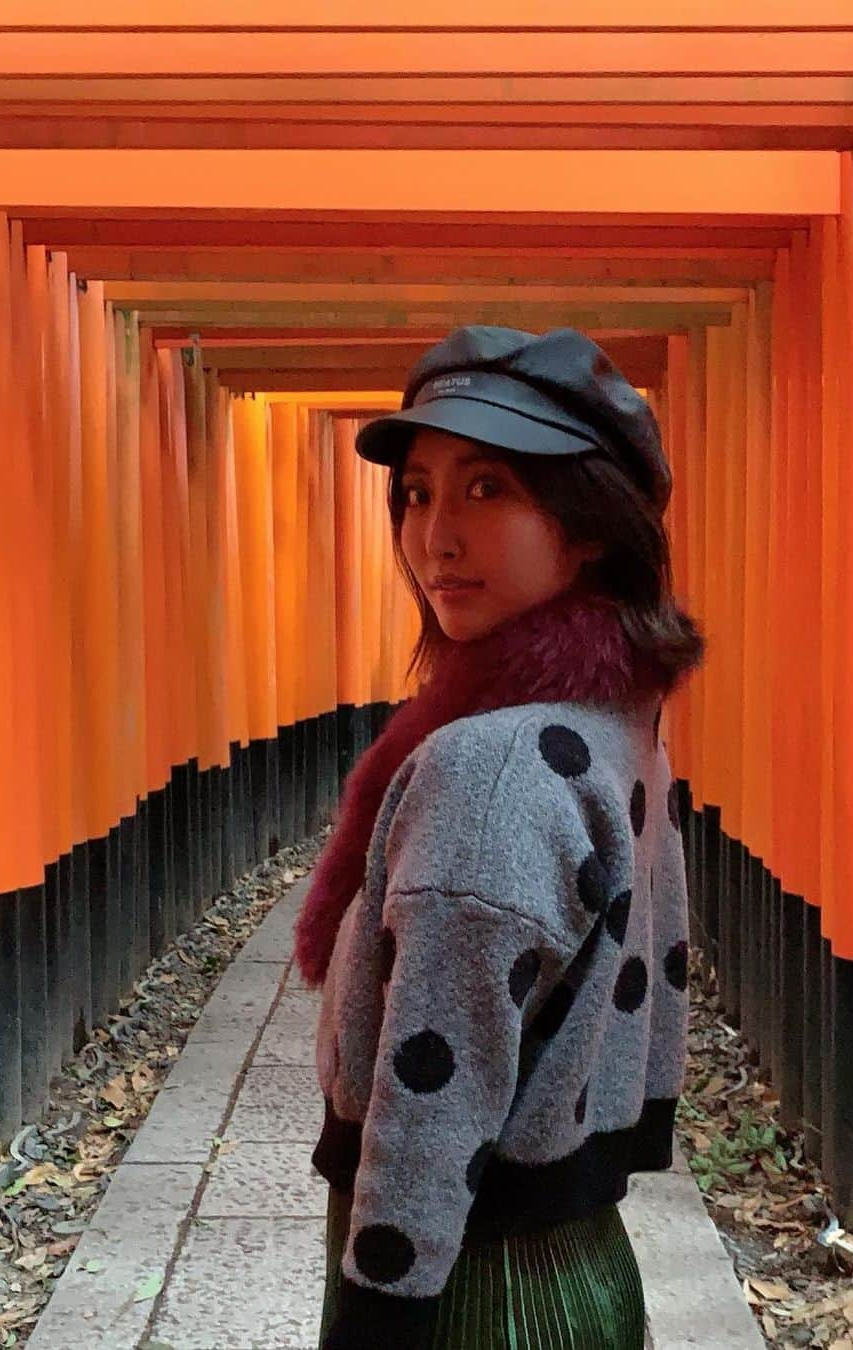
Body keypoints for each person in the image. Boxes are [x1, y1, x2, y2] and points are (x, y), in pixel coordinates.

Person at [293, 325, 705, 1350]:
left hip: (469, 1291)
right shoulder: (616, 721)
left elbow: (440, 1073)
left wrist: (381, 1312)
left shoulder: (491, 766)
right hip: (577, 1264)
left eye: (487, 489)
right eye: (420, 492)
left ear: (590, 522)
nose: (435, 537)